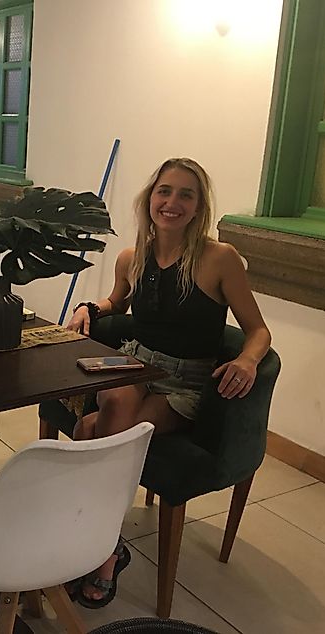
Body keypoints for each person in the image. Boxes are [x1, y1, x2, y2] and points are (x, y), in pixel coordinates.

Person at [63, 157, 271, 609]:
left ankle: (97, 544)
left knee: (93, 430)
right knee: (116, 399)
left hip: (186, 380)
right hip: (134, 364)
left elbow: (258, 330)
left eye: (185, 194)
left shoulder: (221, 259)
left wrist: (250, 360)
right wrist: (90, 308)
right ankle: (102, 545)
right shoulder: (132, 256)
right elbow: (119, 301)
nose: (172, 202)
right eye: (164, 191)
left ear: (199, 206)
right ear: (150, 198)